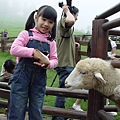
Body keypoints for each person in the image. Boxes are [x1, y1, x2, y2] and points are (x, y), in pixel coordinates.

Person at [8, 5, 58, 120]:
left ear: (54, 24)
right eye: (43, 20)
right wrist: (33, 53)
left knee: (36, 111)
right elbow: (14, 49)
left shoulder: (51, 42)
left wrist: (48, 63)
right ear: (36, 17)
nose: (46, 24)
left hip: (39, 81)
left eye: (50, 22)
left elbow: (55, 60)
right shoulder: (26, 34)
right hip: (21, 78)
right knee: (17, 109)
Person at [52, 5, 80, 120]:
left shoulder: (62, 26)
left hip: (63, 62)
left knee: (63, 90)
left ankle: (58, 115)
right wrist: (66, 10)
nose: (77, 18)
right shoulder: (65, 21)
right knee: (64, 92)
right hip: (65, 63)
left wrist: (74, 44)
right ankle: (58, 117)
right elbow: (71, 20)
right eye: (76, 15)